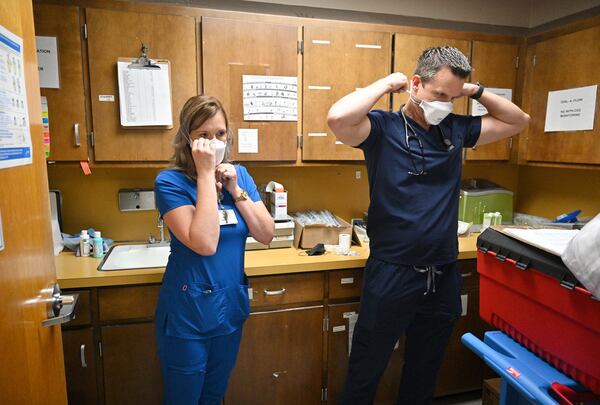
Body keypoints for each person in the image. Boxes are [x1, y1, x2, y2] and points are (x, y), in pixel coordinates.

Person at [327, 46, 530, 405]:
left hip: (442, 272)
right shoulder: (382, 128)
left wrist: (475, 92)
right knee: (367, 366)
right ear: (416, 84)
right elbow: (337, 118)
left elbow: (518, 121)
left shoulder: (455, 129)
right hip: (392, 271)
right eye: (440, 95)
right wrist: (385, 83)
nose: (446, 105)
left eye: (453, 97)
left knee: (425, 369)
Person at [154, 95, 274, 405]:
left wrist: (235, 190)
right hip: (188, 315)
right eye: (203, 136)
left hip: (228, 309)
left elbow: (266, 234)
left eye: (220, 134)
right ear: (186, 140)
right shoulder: (170, 182)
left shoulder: (240, 176)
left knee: (214, 396)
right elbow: (204, 243)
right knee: (184, 399)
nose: (213, 142)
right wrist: (206, 174)